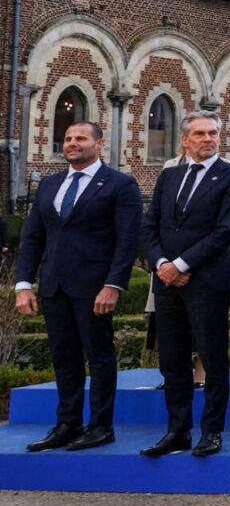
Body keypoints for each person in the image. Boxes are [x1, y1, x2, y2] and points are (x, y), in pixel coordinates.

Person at [13, 119, 142, 452]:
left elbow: (127, 241)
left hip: (95, 287)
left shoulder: (120, 185)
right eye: (68, 138)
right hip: (54, 286)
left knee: (99, 358)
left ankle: (101, 427)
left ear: (98, 144)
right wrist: (23, 284)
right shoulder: (49, 184)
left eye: (80, 138)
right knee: (63, 358)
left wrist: (113, 285)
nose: (72, 143)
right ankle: (67, 424)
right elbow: (33, 238)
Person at [140, 112, 230, 458]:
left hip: (207, 282)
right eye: (200, 133)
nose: (208, 139)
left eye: (213, 133)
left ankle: (211, 432)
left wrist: (181, 265)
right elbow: (150, 225)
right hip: (166, 282)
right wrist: (162, 265)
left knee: (213, 359)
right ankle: (177, 431)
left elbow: (225, 232)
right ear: (185, 140)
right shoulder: (170, 175)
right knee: (172, 361)